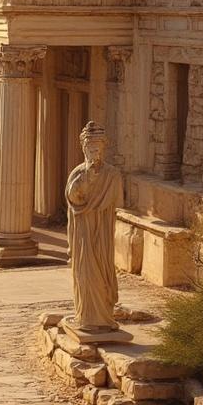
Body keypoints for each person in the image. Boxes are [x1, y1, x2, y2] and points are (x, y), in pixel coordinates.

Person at [64, 122, 124, 333]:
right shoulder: (77, 173)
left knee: (102, 270)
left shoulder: (113, 174)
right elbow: (73, 200)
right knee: (85, 272)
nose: (94, 153)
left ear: (104, 149)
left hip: (103, 229)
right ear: (84, 149)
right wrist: (84, 183)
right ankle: (86, 317)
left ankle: (104, 318)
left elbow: (114, 200)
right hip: (83, 230)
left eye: (98, 149)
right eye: (90, 149)